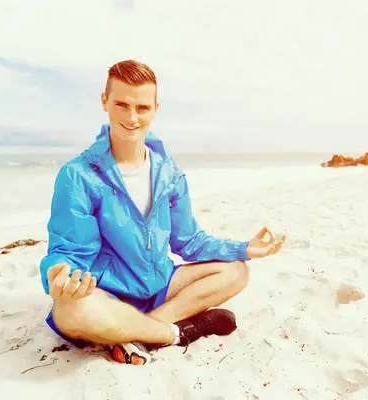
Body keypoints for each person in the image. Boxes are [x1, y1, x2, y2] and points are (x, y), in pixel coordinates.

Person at [39, 59, 286, 365]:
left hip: (159, 287)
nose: (132, 117)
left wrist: (244, 248)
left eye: (142, 108)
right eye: (121, 104)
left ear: (156, 109)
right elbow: (70, 250)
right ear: (105, 102)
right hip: (107, 295)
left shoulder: (170, 174)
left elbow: (189, 241)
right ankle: (174, 334)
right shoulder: (78, 175)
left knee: (236, 270)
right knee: (71, 311)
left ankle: (136, 334)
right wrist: (60, 274)